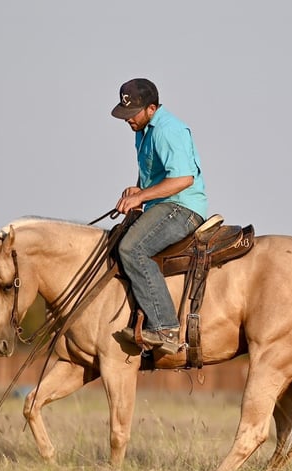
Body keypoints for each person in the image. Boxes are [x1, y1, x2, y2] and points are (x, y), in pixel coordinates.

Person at [111, 78, 207, 354]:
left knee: (131, 248)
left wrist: (141, 196)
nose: (127, 119)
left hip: (182, 207)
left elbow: (184, 178)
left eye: (132, 113)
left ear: (152, 108)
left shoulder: (167, 130)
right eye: (125, 113)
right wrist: (140, 190)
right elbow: (158, 176)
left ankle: (166, 328)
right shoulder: (142, 131)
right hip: (162, 205)